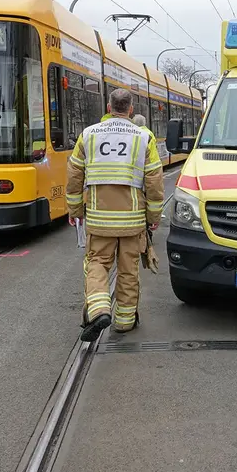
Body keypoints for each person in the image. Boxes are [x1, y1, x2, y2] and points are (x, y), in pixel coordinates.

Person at [66, 89, 165, 341]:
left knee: (97, 264)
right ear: (130, 109)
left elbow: (74, 177)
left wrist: (75, 211)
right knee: (128, 270)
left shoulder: (88, 135)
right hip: (132, 220)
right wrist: (153, 217)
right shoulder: (144, 137)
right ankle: (124, 322)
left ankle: (99, 309)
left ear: (109, 108)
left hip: (99, 219)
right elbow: (154, 182)